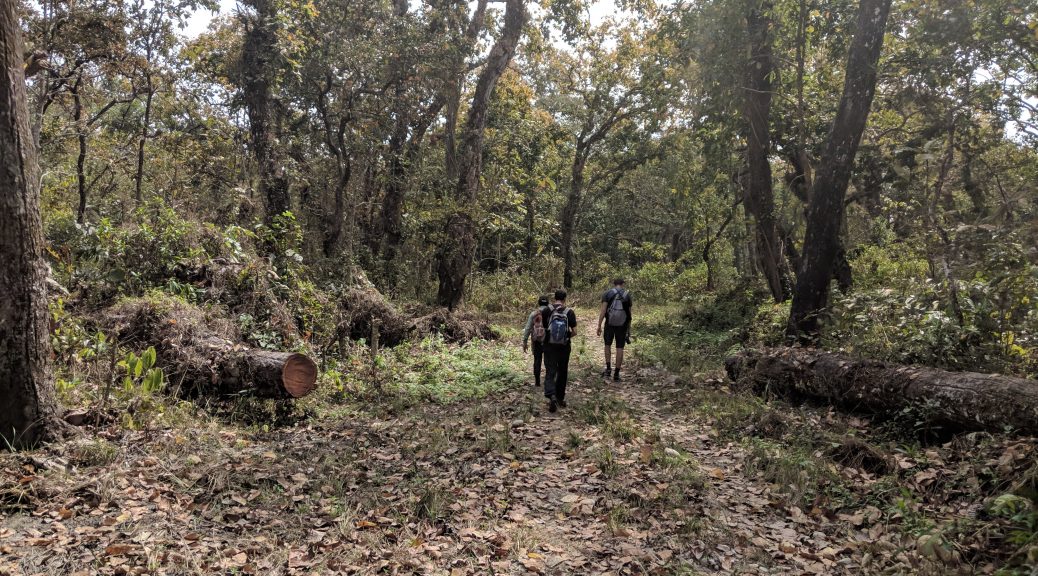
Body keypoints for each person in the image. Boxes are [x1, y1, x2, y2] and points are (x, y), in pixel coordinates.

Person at [541, 289, 577, 413]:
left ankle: (551, 396)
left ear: (554, 298)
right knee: (562, 371)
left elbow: (542, 328)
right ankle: (560, 398)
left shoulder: (547, 310)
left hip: (549, 346)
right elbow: (575, 332)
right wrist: (566, 338)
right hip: (564, 347)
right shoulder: (569, 312)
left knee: (550, 370)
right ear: (565, 299)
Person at [597, 278, 632, 381]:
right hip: (623, 325)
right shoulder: (627, 295)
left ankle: (608, 370)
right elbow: (629, 314)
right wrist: (629, 329)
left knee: (607, 345)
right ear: (622, 284)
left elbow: (603, 311)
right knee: (620, 348)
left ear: (614, 284)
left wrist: (599, 325)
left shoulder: (607, 293)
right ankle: (616, 374)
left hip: (610, 324)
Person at [521, 295, 550, 387]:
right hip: (548, 340)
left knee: (537, 360)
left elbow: (528, 328)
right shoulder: (551, 313)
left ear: (539, 303)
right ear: (548, 303)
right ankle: (548, 381)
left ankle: (537, 381)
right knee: (548, 361)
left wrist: (524, 341)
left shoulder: (534, 314)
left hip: (537, 341)